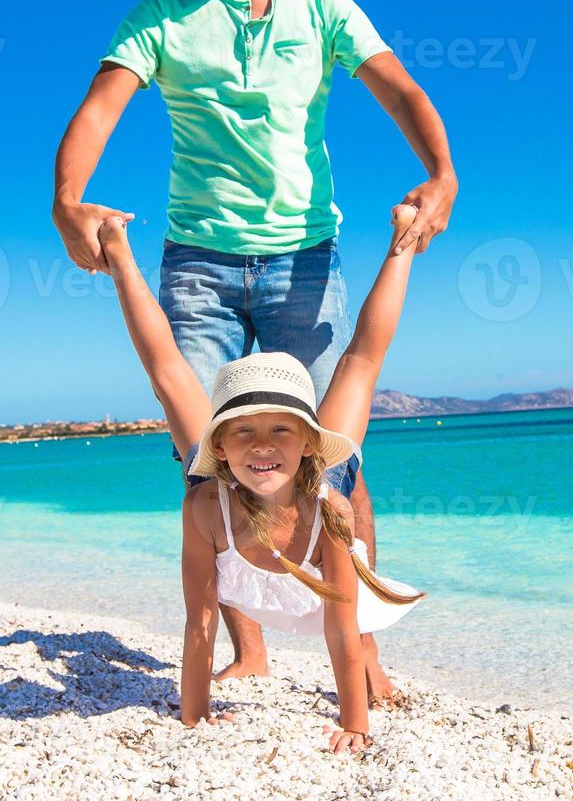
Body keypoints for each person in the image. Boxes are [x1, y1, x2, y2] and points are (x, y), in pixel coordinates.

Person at [50, 0, 457, 681]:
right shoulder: (160, 13)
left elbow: (400, 88)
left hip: (303, 259)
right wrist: (66, 201)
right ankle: (251, 650)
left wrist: (440, 173)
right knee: (207, 462)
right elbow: (97, 111)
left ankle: (363, 646)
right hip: (196, 265)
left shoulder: (322, 4)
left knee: (332, 458)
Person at [94, 205, 425, 753]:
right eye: (243, 432)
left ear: (307, 440)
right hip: (233, 494)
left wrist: (354, 726)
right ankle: (121, 257)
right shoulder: (205, 508)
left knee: (359, 366)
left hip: (320, 487)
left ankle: (402, 246)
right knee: (169, 378)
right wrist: (194, 717)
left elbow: (340, 630)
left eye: (280, 430)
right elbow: (198, 624)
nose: (263, 445)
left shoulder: (330, 512)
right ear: (219, 444)